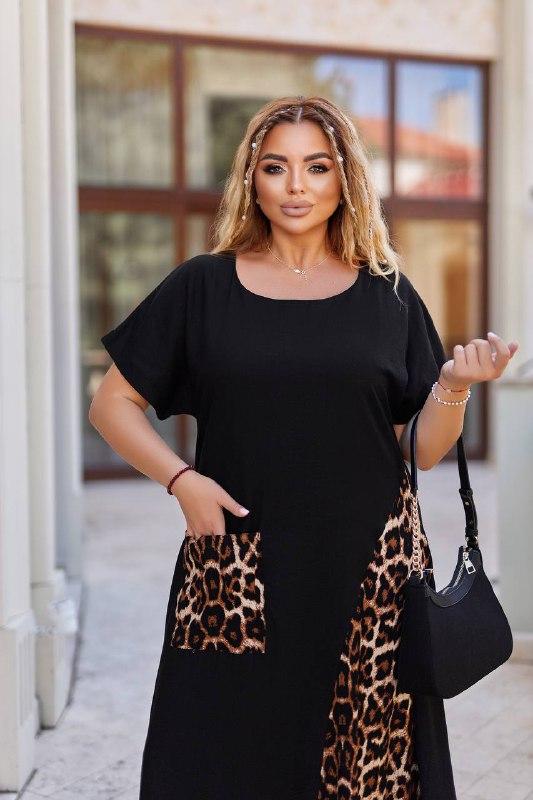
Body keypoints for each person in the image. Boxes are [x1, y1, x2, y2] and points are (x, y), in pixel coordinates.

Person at [89, 96, 518, 800]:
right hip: (236, 558)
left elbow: (420, 450)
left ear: (344, 180)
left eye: (317, 167)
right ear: (250, 179)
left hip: (370, 571)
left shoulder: (388, 294)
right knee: (219, 752)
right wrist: (181, 480)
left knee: (368, 770)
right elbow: (111, 405)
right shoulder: (202, 286)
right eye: (275, 167)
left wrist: (453, 386)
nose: (296, 186)